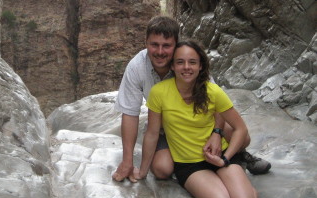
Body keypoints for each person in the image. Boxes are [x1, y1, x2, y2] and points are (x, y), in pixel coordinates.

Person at [112, 16, 270, 182]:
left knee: (242, 138)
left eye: (166, 45)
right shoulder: (137, 67)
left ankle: (239, 155)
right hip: (166, 128)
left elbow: (215, 101)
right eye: (154, 45)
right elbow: (130, 113)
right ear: (146, 42)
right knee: (162, 170)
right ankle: (186, 162)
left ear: (176, 44)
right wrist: (127, 161)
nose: (160, 51)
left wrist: (216, 132)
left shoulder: (189, 64)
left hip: (200, 125)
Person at [135, 39, 258, 198]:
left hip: (219, 156)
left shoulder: (212, 91)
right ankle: (228, 184)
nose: (186, 67)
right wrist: (142, 172)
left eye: (192, 62)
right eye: (180, 62)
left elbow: (241, 128)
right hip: (189, 164)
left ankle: (244, 186)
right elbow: (153, 133)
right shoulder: (159, 93)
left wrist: (225, 159)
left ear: (200, 66)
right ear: (172, 67)